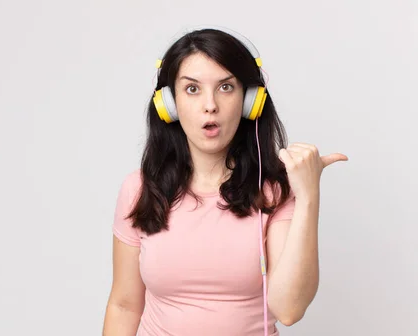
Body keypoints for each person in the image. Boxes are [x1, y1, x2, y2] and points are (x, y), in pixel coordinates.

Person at [102, 26, 348, 336]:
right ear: (169, 104)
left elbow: (289, 309)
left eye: (226, 87)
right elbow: (124, 305)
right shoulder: (138, 189)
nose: (210, 105)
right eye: (192, 89)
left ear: (250, 102)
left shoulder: (272, 193)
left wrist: (308, 195)